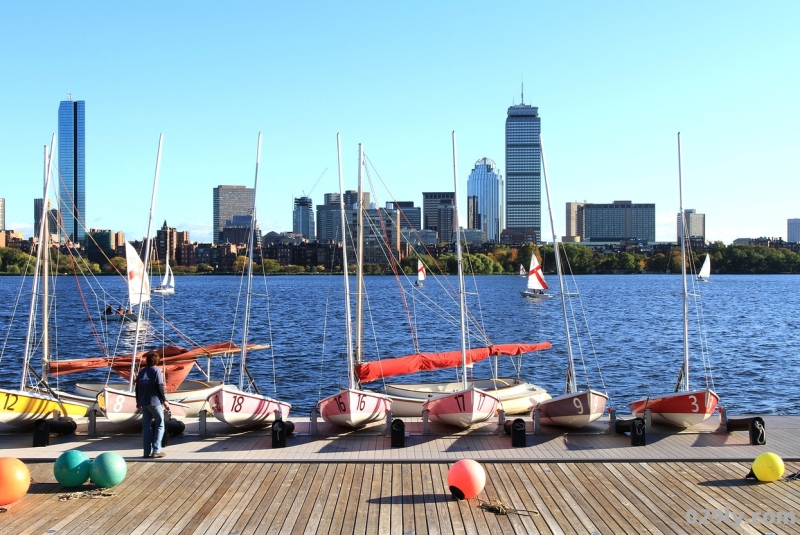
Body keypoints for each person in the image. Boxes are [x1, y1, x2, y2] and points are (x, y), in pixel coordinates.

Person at [135, 350, 169, 458]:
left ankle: (146, 451)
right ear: (157, 361)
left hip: (144, 402)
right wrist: (164, 401)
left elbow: (137, 388)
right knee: (160, 424)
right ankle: (156, 450)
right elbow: (159, 386)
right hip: (154, 402)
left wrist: (138, 401)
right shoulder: (156, 371)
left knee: (146, 427)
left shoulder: (141, 372)